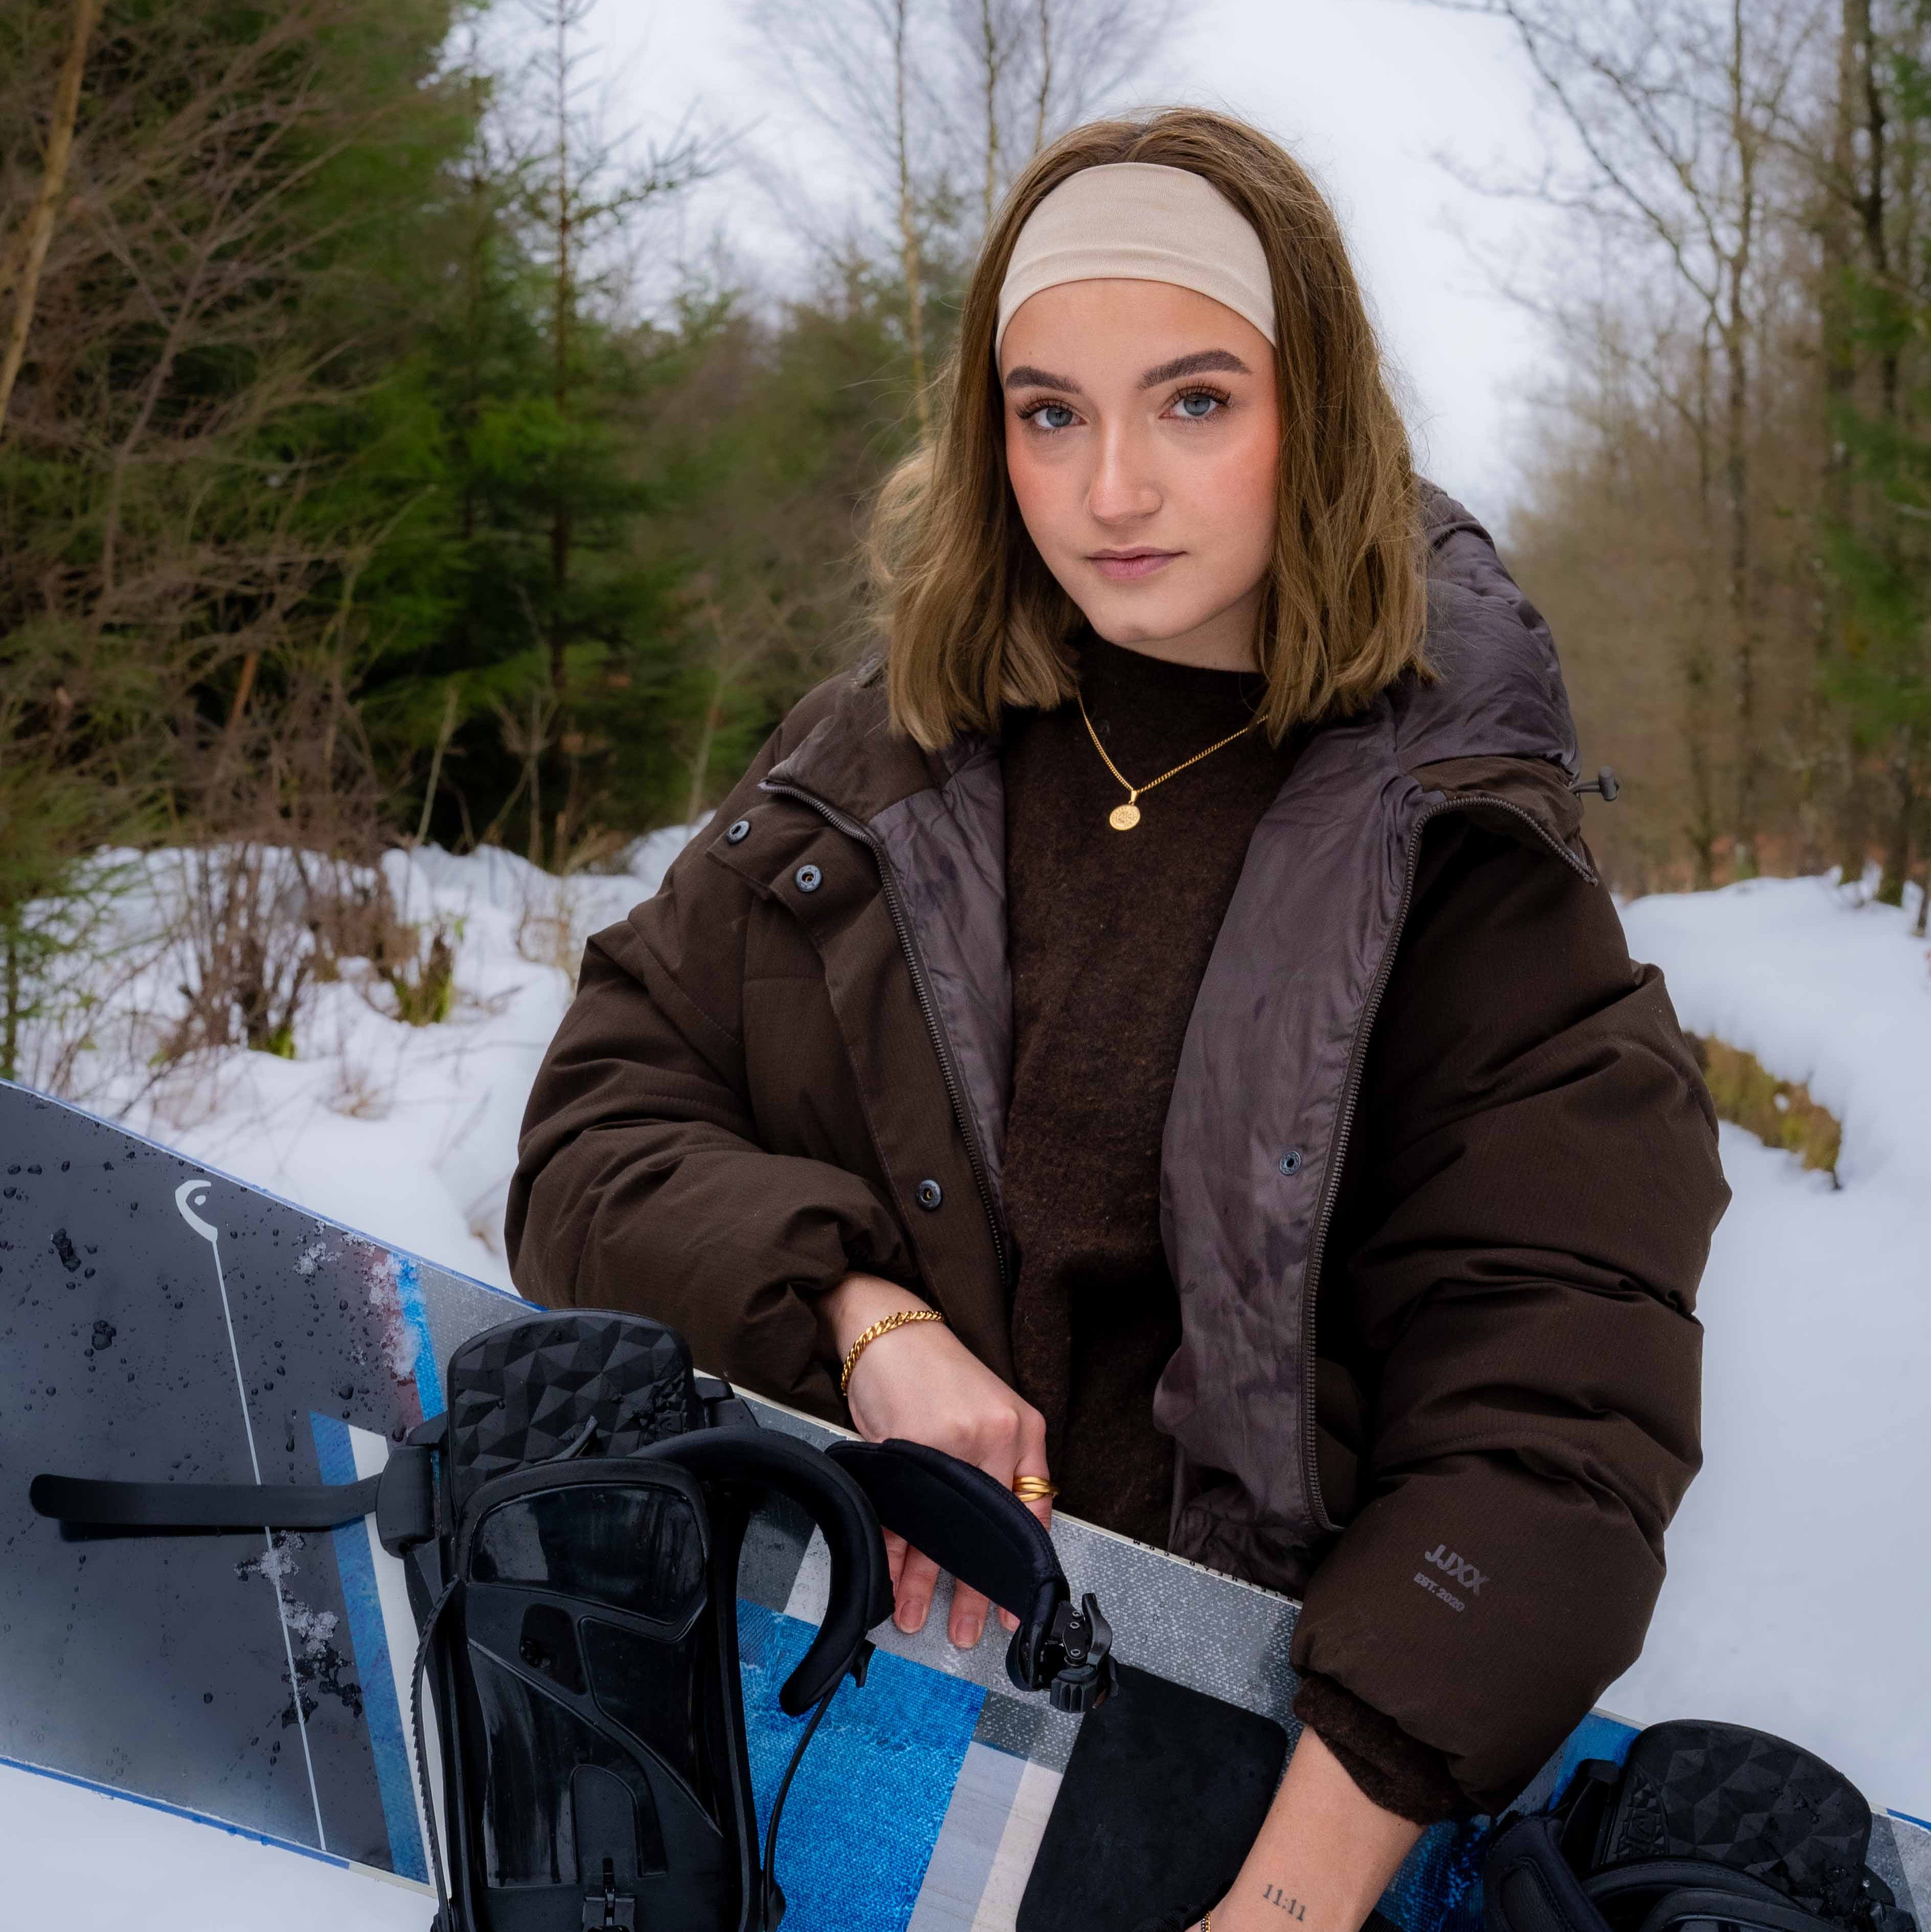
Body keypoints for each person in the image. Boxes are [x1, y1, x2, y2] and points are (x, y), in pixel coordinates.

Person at [508, 108, 1728, 1932]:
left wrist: (1286, 1905)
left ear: (1317, 411)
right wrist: (859, 1312)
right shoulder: (872, 768)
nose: (1111, 492)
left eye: (1193, 401)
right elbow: (591, 1138)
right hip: (821, 1736)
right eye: (1049, 413)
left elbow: (1552, 1422)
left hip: (1241, 1812)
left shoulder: (1460, 848)